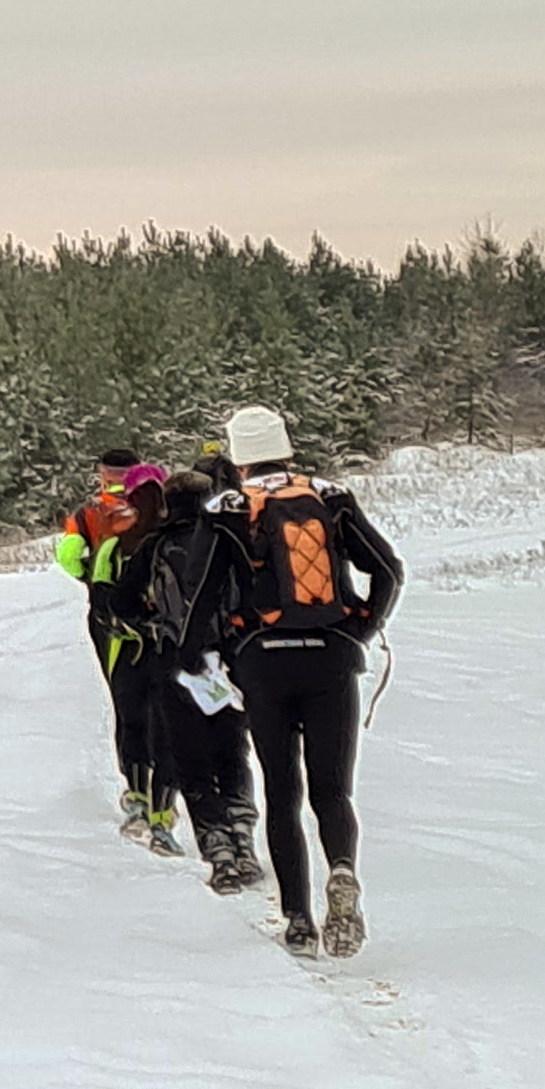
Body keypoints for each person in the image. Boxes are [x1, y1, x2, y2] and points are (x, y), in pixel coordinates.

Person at [221, 405, 405, 957]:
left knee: (282, 793)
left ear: (237, 459)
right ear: (286, 448)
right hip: (332, 659)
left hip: (262, 663)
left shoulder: (230, 509)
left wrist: (224, 652)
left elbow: (206, 592)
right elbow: (387, 569)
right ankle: (342, 868)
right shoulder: (330, 498)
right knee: (332, 790)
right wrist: (360, 628)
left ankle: (299, 921)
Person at [113, 468, 260, 884]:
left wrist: (152, 623)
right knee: (232, 749)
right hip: (228, 660)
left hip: (173, 661)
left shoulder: (154, 545)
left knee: (190, 755)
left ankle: (218, 851)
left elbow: (120, 603)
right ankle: (243, 837)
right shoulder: (227, 538)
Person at [58, 453, 167, 835]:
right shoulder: (158, 507)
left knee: (126, 699)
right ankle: (164, 791)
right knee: (163, 701)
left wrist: (89, 577)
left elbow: (68, 556)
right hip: (164, 626)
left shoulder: (90, 513)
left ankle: (136, 786)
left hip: (112, 624)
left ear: (103, 475)